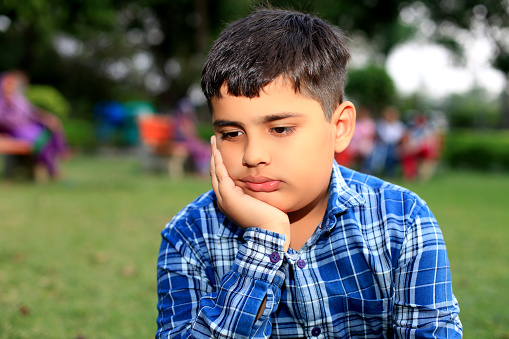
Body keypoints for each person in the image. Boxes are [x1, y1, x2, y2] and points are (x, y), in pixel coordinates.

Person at [156, 8, 462, 338]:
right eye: (232, 133)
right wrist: (264, 242)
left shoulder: (401, 220)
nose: (253, 156)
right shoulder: (189, 237)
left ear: (340, 127)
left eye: (281, 128)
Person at [0, 71, 68, 180]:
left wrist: (46, 118)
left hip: (28, 127)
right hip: (16, 131)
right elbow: (5, 121)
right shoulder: (2, 102)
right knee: (40, 142)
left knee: (51, 127)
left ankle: (61, 152)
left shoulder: (19, 99)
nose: (10, 90)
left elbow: (31, 112)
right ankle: (53, 168)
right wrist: (12, 111)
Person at [172, 98, 211, 176]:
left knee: (206, 147)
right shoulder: (178, 120)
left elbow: (193, 133)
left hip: (191, 141)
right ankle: (200, 170)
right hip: (182, 141)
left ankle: (204, 169)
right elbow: (180, 134)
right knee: (198, 149)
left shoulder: (190, 120)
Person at [371, 106, 406, 177]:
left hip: (395, 145)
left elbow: (401, 138)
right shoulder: (381, 124)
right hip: (382, 145)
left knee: (391, 152)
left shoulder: (399, 125)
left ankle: (390, 172)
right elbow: (381, 137)